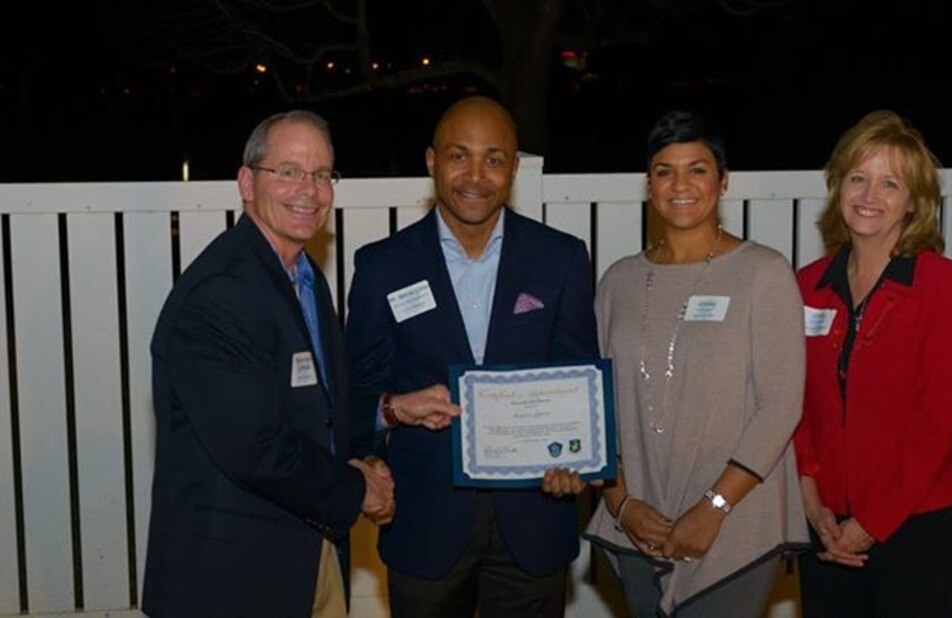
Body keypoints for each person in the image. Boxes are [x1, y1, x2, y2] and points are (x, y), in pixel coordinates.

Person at [344, 96, 598, 618]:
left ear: (514, 170)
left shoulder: (562, 259)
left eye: (494, 158)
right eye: (459, 156)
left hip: (535, 519)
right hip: (423, 520)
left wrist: (577, 459)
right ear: (432, 161)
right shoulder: (382, 267)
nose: (475, 175)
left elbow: (577, 380)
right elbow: (358, 396)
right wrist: (371, 455)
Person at [142, 110, 394, 618]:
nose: (310, 189)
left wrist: (381, 422)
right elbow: (257, 448)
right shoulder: (220, 295)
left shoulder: (302, 276)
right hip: (232, 579)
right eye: (289, 171)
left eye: (323, 174)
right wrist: (357, 488)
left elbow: (314, 411)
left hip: (305, 553)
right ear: (245, 182)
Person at [583, 110, 809, 617]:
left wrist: (713, 509)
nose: (680, 184)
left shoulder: (763, 273)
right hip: (638, 517)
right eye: (665, 171)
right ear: (649, 184)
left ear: (723, 181)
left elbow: (780, 406)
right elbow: (594, 407)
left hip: (733, 520)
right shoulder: (618, 282)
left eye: (697, 169)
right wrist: (621, 503)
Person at [793, 110, 952, 617]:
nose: (869, 196)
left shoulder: (950, 287)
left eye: (889, 183)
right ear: (838, 188)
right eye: (858, 178)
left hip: (918, 526)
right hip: (826, 524)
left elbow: (943, 422)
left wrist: (870, 524)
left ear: (913, 202)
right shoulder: (806, 285)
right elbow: (795, 404)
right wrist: (812, 504)